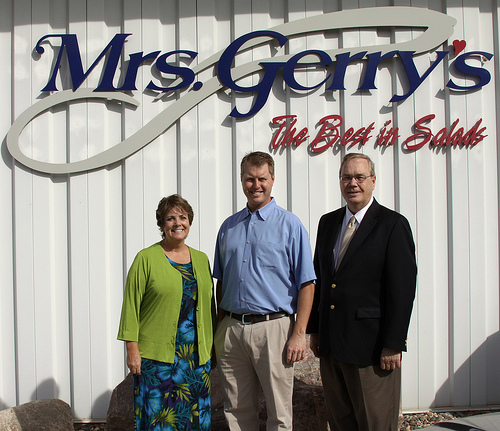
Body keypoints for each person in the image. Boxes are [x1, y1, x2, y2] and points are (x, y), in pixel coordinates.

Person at [308, 153, 417, 431]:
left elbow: (402, 289)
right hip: (332, 347)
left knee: (375, 423)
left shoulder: (393, 225)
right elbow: (320, 278)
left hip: (372, 350)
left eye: (359, 177)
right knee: (341, 422)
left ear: (373, 181)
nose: (352, 183)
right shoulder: (328, 222)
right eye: (346, 177)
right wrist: (316, 330)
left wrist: (394, 343)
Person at [213, 151, 316, 431]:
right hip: (232, 330)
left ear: (272, 180)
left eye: (262, 179)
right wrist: (219, 326)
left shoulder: (290, 225)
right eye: (249, 179)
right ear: (241, 180)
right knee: (235, 410)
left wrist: (299, 334)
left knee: (279, 414)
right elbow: (221, 281)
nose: (255, 185)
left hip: (275, 330)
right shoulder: (228, 227)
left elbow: (307, 283)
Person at [118, 194, 215, 431]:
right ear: (162, 225)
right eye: (170, 218)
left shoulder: (201, 260)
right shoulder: (146, 258)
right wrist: (132, 350)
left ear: (190, 221)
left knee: (195, 420)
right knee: (158, 421)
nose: (177, 223)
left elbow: (210, 308)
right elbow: (131, 306)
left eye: (183, 217)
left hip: (195, 359)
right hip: (157, 360)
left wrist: (212, 350)